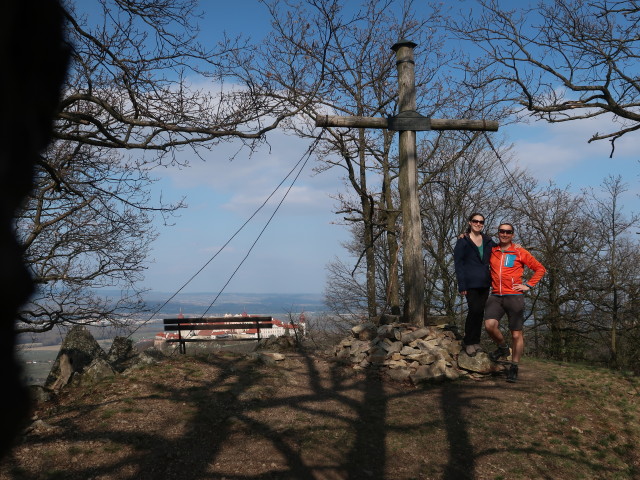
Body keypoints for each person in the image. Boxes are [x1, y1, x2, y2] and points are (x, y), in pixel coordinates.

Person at [484, 223, 546, 383]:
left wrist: (528, 285)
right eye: (501, 231)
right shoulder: (492, 250)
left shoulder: (520, 251)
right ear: (498, 233)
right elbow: (475, 243)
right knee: (489, 325)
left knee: (516, 334)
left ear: (512, 235)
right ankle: (503, 348)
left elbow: (540, 269)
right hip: (496, 295)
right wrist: (464, 236)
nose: (504, 234)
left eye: (508, 232)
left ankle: (514, 366)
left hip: (514, 296)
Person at [453, 213, 496, 357]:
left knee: (480, 312)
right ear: (470, 222)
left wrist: (515, 247)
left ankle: (476, 341)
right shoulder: (463, 241)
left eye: (481, 222)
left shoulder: (488, 240)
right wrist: (462, 285)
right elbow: (458, 264)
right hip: (470, 283)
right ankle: (468, 342)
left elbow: (500, 250)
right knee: (474, 310)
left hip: (484, 283)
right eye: (475, 221)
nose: (478, 223)